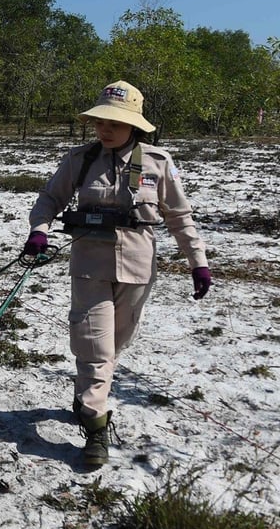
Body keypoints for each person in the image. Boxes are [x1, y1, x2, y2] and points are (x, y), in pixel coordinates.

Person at [22, 80, 211, 468]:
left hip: (138, 270)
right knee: (96, 348)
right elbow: (50, 198)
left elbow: (179, 216)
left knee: (113, 346)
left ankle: (86, 396)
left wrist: (198, 261)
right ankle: (95, 426)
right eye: (100, 122)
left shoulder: (158, 163)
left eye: (114, 123)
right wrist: (39, 230)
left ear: (134, 126)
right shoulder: (80, 159)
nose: (105, 129)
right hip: (89, 268)